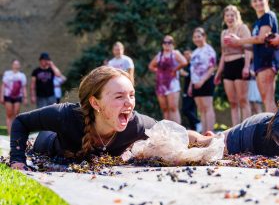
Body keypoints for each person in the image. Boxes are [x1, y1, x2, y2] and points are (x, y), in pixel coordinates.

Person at [9, 66, 199, 170]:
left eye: (131, 95)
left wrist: (205, 139)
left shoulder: (136, 124)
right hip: (48, 141)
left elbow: (169, 132)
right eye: (119, 96)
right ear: (95, 103)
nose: (129, 103)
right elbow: (21, 122)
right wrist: (17, 160)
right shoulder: (64, 115)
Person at [189, 80, 279, 156]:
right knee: (205, 144)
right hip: (255, 133)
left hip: (267, 135)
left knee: (214, 141)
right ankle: (174, 134)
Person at [224, 0, 279, 113]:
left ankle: (276, 130)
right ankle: (273, 130)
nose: (258, 3)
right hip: (260, 64)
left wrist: (239, 41)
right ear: (251, 4)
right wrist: (239, 46)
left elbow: (261, 38)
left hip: (268, 62)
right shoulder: (258, 22)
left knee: (269, 99)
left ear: (267, 0)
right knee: (265, 99)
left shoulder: (268, 16)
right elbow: (256, 45)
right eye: (255, 0)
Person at [214, 5, 252, 126]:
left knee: (243, 100)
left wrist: (246, 66)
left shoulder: (243, 28)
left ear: (237, 16)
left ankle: (247, 128)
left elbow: (248, 49)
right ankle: (234, 130)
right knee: (233, 102)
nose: (230, 18)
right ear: (224, 18)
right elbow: (223, 54)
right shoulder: (224, 32)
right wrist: (219, 73)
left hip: (240, 64)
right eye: (227, 15)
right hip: (228, 67)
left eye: (232, 15)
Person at [148, 35, 187, 124]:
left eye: (169, 42)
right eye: (165, 42)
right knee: (165, 109)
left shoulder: (175, 53)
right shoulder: (159, 55)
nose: (167, 44)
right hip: (161, 85)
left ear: (173, 44)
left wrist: (175, 70)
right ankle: (168, 131)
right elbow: (151, 66)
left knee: (173, 108)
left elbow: (184, 62)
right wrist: (158, 71)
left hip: (172, 84)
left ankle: (177, 131)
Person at [189, 27, 216, 133]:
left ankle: (210, 132)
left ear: (204, 37)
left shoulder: (209, 50)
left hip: (206, 81)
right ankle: (204, 133)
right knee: (201, 109)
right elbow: (193, 70)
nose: (197, 39)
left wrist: (202, 81)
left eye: (199, 36)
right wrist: (191, 85)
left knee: (208, 107)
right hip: (195, 83)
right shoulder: (195, 52)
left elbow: (212, 68)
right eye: (195, 37)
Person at [0, 59, 27, 135]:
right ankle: (9, 133)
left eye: (17, 64)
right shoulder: (7, 74)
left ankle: (15, 132)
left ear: (19, 66)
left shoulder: (22, 75)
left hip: (18, 96)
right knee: (9, 114)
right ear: (12, 65)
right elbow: (3, 85)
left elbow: (23, 87)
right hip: (8, 96)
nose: (16, 65)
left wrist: (25, 97)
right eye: (14, 64)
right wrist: (1, 96)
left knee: (16, 114)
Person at [180, 50, 202, 132]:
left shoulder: (193, 64)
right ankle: (194, 129)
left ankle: (198, 122)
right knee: (190, 110)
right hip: (186, 89)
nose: (186, 55)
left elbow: (193, 75)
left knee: (186, 110)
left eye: (188, 53)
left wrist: (185, 74)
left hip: (192, 89)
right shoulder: (185, 65)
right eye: (185, 54)